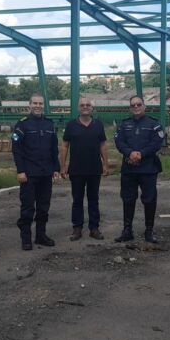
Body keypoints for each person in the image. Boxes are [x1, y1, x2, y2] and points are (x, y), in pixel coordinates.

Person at [11, 93, 61, 251]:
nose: (38, 106)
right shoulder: (22, 125)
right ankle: (26, 238)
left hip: (46, 173)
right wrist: (20, 171)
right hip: (29, 174)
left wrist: (56, 169)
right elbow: (17, 150)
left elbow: (54, 149)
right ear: (29, 105)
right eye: (35, 103)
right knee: (27, 208)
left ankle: (41, 235)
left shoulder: (49, 124)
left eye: (40, 103)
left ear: (43, 105)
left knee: (43, 207)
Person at [114, 95, 164, 243]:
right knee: (128, 199)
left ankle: (149, 231)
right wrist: (130, 153)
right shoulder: (124, 124)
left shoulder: (154, 124)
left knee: (149, 200)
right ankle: (127, 230)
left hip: (148, 168)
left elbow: (156, 143)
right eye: (133, 105)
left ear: (144, 106)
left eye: (138, 104)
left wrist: (140, 154)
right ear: (130, 108)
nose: (136, 107)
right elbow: (119, 142)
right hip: (129, 168)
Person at [61, 97, 110, 241]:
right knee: (77, 200)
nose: (85, 107)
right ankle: (77, 228)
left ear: (92, 108)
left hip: (94, 169)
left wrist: (105, 165)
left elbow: (103, 145)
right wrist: (63, 166)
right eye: (82, 105)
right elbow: (64, 146)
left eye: (88, 105)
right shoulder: (71, 125)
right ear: (78, 108)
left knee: (94, 199)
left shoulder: (98, 125)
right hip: (76, 170)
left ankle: (94, 228)